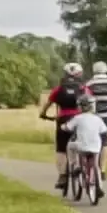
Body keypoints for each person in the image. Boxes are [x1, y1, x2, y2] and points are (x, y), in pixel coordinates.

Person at [38, 62, 89, 193]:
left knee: (61, 149)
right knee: (83, 143)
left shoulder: (58, 89)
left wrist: (43, 115)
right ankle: (83, 165)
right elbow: (90, 101)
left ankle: (62, 176)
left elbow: (47, 104)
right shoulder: (84, 88)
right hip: (80, 119)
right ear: (80, 74)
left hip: (63, 119)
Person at [60, 94, 107, 198]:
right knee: (96, 165)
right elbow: (104, 130)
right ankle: (99, 186)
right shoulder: (97, 119)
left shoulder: (77, 118)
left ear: (79, 107)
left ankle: (75, 164)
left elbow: (68, 127)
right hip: (96, 147)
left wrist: (62, 126)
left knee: (70, 145)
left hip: (81, 146)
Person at [87, 61, 107, 180]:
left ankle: (92, 166)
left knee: (92, 140)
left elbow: (87, 98)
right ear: (106, 70)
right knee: (105, 142)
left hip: (94, 116)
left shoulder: (90, 83)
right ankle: (102, 170)